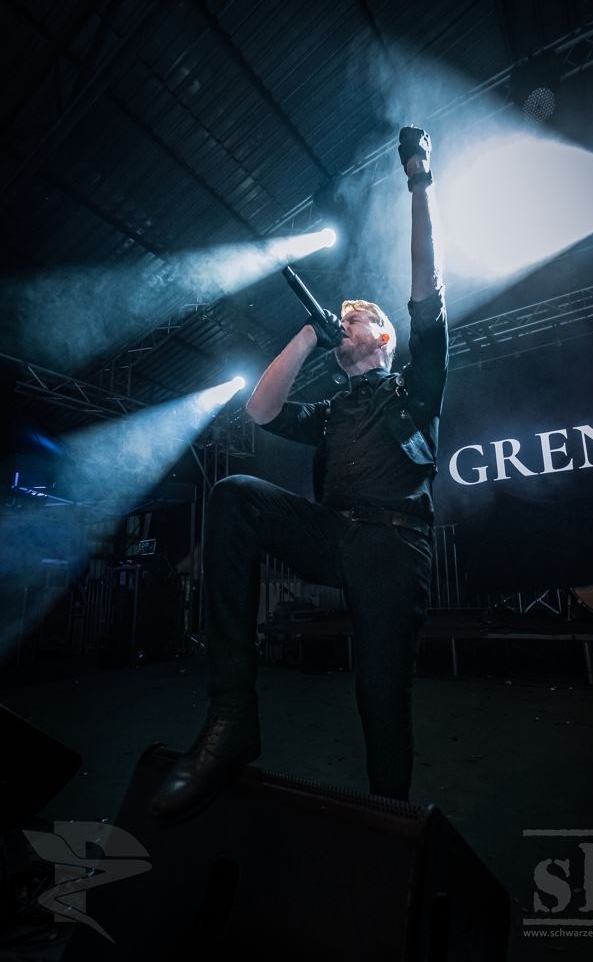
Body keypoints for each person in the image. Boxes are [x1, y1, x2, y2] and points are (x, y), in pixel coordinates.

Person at [149, 127, 448, 823]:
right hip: (333, 535)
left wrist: (418, 181)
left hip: (393, 548)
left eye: (356, 319)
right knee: (235, 495)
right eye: (340, 320)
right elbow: (259, 410)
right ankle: (231, 717)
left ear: (384, 338)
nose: (346, 323)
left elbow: (427, 291)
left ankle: (389, 826)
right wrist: (311, 333)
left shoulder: (416, 387)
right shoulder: (331, 410)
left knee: (380, 698)